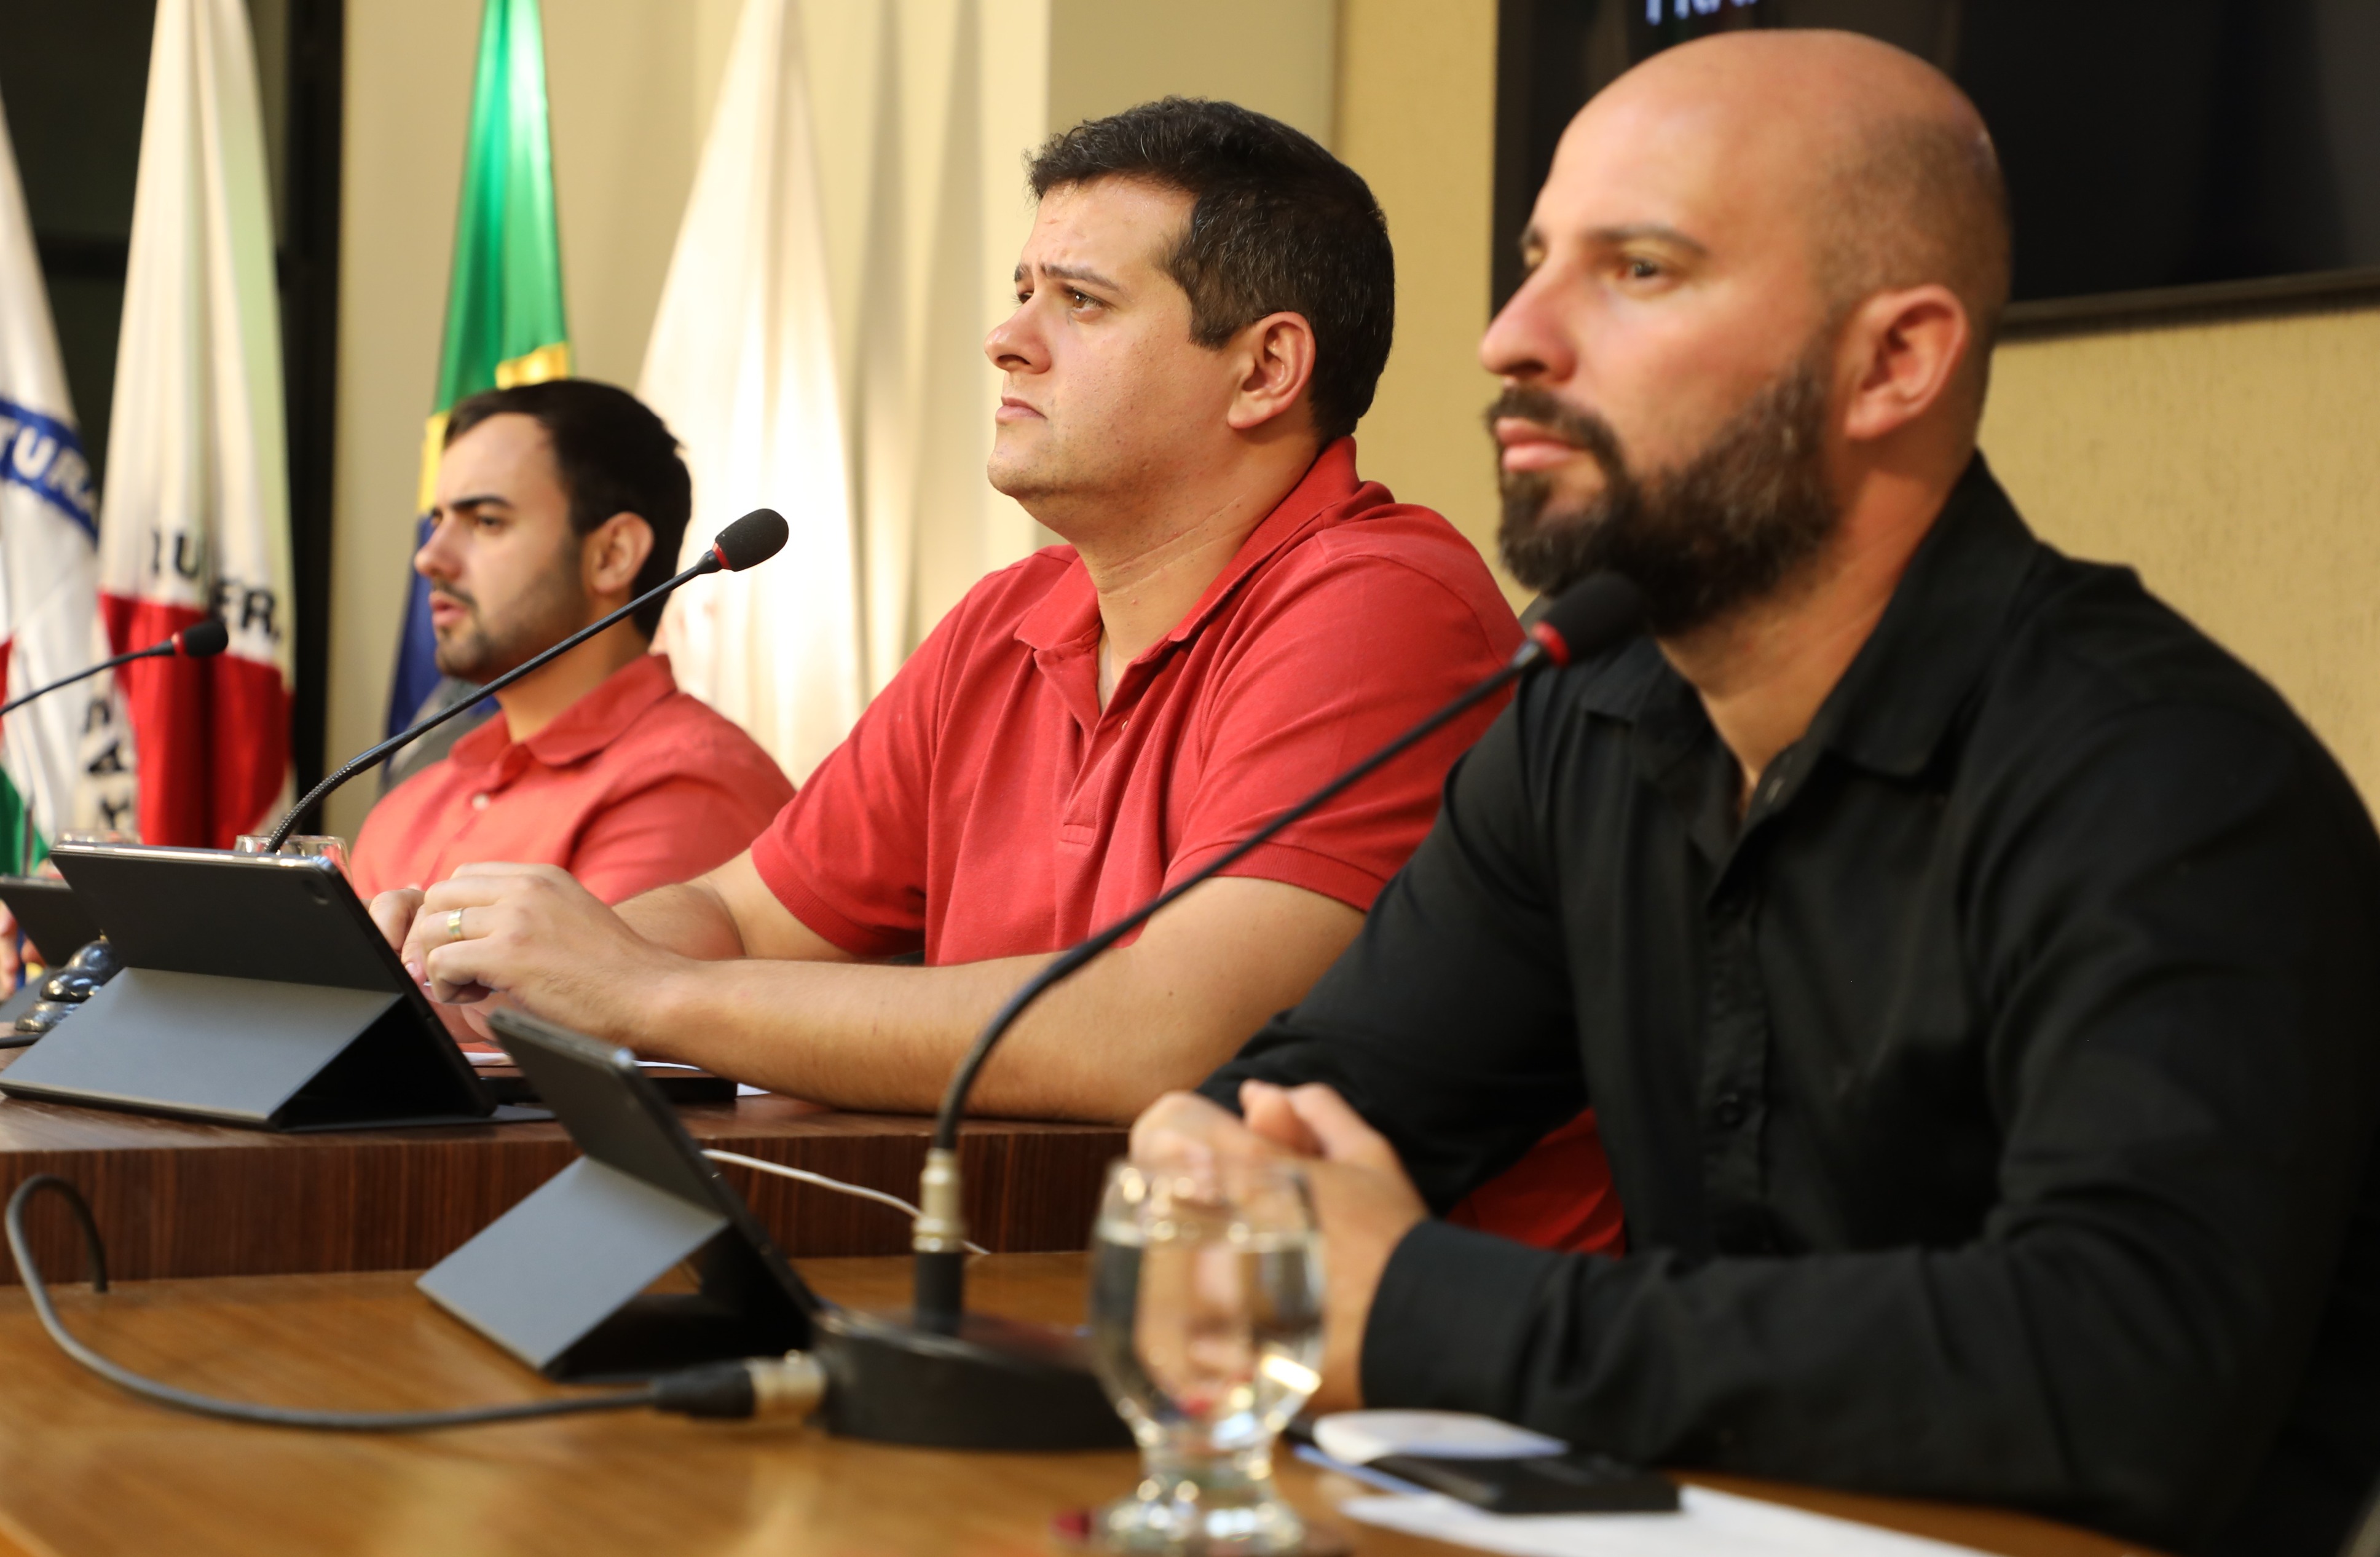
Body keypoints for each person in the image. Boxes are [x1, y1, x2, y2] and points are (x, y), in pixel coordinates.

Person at [1133, 30, 2380, 1557]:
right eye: (1534, 262)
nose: (1511, 335)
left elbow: (2122, 1367)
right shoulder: (1578, 725)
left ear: (1892, 363)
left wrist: (1426, 1307)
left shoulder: (2169, 777)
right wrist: (1211, 1174)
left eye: (1638, 269)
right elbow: (1292, 1110)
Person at [372, 101, 1561, 1148]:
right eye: (1021, 291)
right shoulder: (1009, 616)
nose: (1008, 339)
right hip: (1038, 1274)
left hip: (1374, 1371)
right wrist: (508, 968)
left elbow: (1166, 1035)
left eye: (1081, 302)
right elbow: (743, 913)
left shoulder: (1377, 603)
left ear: (1264, 370)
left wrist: (642, 994)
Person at [353, 380, 794, 1039]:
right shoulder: (415, 797)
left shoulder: (691, 785)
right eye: (438, 519)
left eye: (486, 521)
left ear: (611, 554)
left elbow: (574, 1035)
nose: (429, 557)